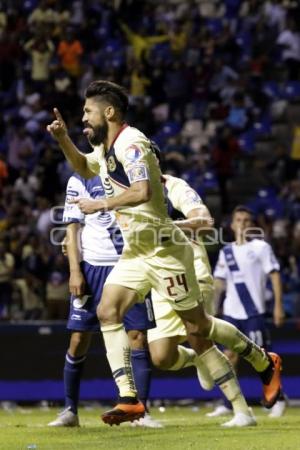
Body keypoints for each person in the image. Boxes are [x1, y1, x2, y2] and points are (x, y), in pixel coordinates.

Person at [47, 80, 282, 426]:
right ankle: (130, 398)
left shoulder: (132, 143)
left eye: (87, 111)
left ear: (108, 112)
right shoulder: (106, 148)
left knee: (198, 327)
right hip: (136, 252)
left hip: (164, 251)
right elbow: (83, 168)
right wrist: (63, 139)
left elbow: (142, 191)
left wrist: (102, 203)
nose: (83, 117)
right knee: (107, 310)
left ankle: (263, 360)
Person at [48, 171, 160, 428]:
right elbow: (72, 228)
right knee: (78, 339)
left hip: (131, 265)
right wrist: (75, 270)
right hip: (93, 267)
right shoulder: (81, 178)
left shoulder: (129, 172)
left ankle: (140, 411)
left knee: (138, 337)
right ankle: (70, 410)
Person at [148, 170, 256, 427]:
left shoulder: (174, 186)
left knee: (200, 339)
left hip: (191, 269)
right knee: (161, 357)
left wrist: (172, 226)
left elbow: (204, 222)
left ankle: (242, 411)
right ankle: (195, 359)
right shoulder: (126, 191)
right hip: (158, 275)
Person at [209, 205, 286, 419]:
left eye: (246, 220)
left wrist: (278, 305)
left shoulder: (261, 247)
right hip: (232, 314)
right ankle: (228, 403)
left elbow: (275, 276)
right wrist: (213, 308)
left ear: (251, 225)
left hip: (254, 312)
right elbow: (219, 283)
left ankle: (278, 399)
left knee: (264, 358)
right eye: (238, 220)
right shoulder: (226, 252)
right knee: (228, 357)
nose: (242, 224)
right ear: (232, 225)